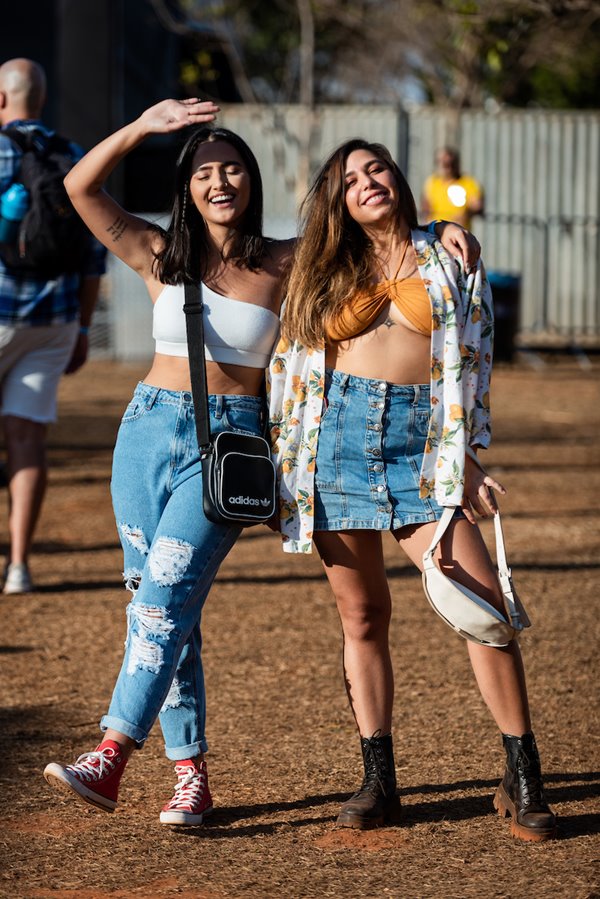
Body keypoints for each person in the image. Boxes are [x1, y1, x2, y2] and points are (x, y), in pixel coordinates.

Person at [40, 99, 479, 827]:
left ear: (252, 182)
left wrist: (442, 228)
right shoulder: (159, 253)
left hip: (230, 444)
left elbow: (367, 235)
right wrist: (143, 128)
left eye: (233, 168)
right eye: (205, 171)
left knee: (164, 598)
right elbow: (79, 188)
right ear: (187, 187)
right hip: (144, 435)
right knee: (162, 610)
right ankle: (191, 778)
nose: (221, 181)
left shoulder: (284, 259)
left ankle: (111, 753)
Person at [269, 138, 556, 842]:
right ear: (336, 200)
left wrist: (474, 458)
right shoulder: (322, 263)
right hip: (334, 445)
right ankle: (379, 779)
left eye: (376, 170)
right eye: (349, 179)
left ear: (398, 180)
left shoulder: (449, 254)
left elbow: (477, 362)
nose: (367, 182)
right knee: (362, 617)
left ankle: (522, 778)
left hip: (421, 448)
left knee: (483, 606)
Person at [0, 58, 106, 594]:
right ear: (39, 99)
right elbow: (93, 256)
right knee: (27, 439)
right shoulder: (75, 157)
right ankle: (18, 565)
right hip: (55, 323)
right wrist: (83, 329)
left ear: (1, 100)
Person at [421, 145, 484, 231]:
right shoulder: (432, 182)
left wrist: (466, 213)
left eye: (449, 163)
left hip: (458, 232)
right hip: (436, 233)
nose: (447, 167)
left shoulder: (468, 182)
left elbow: (477, 206)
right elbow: (426, 206)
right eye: (443, 163)